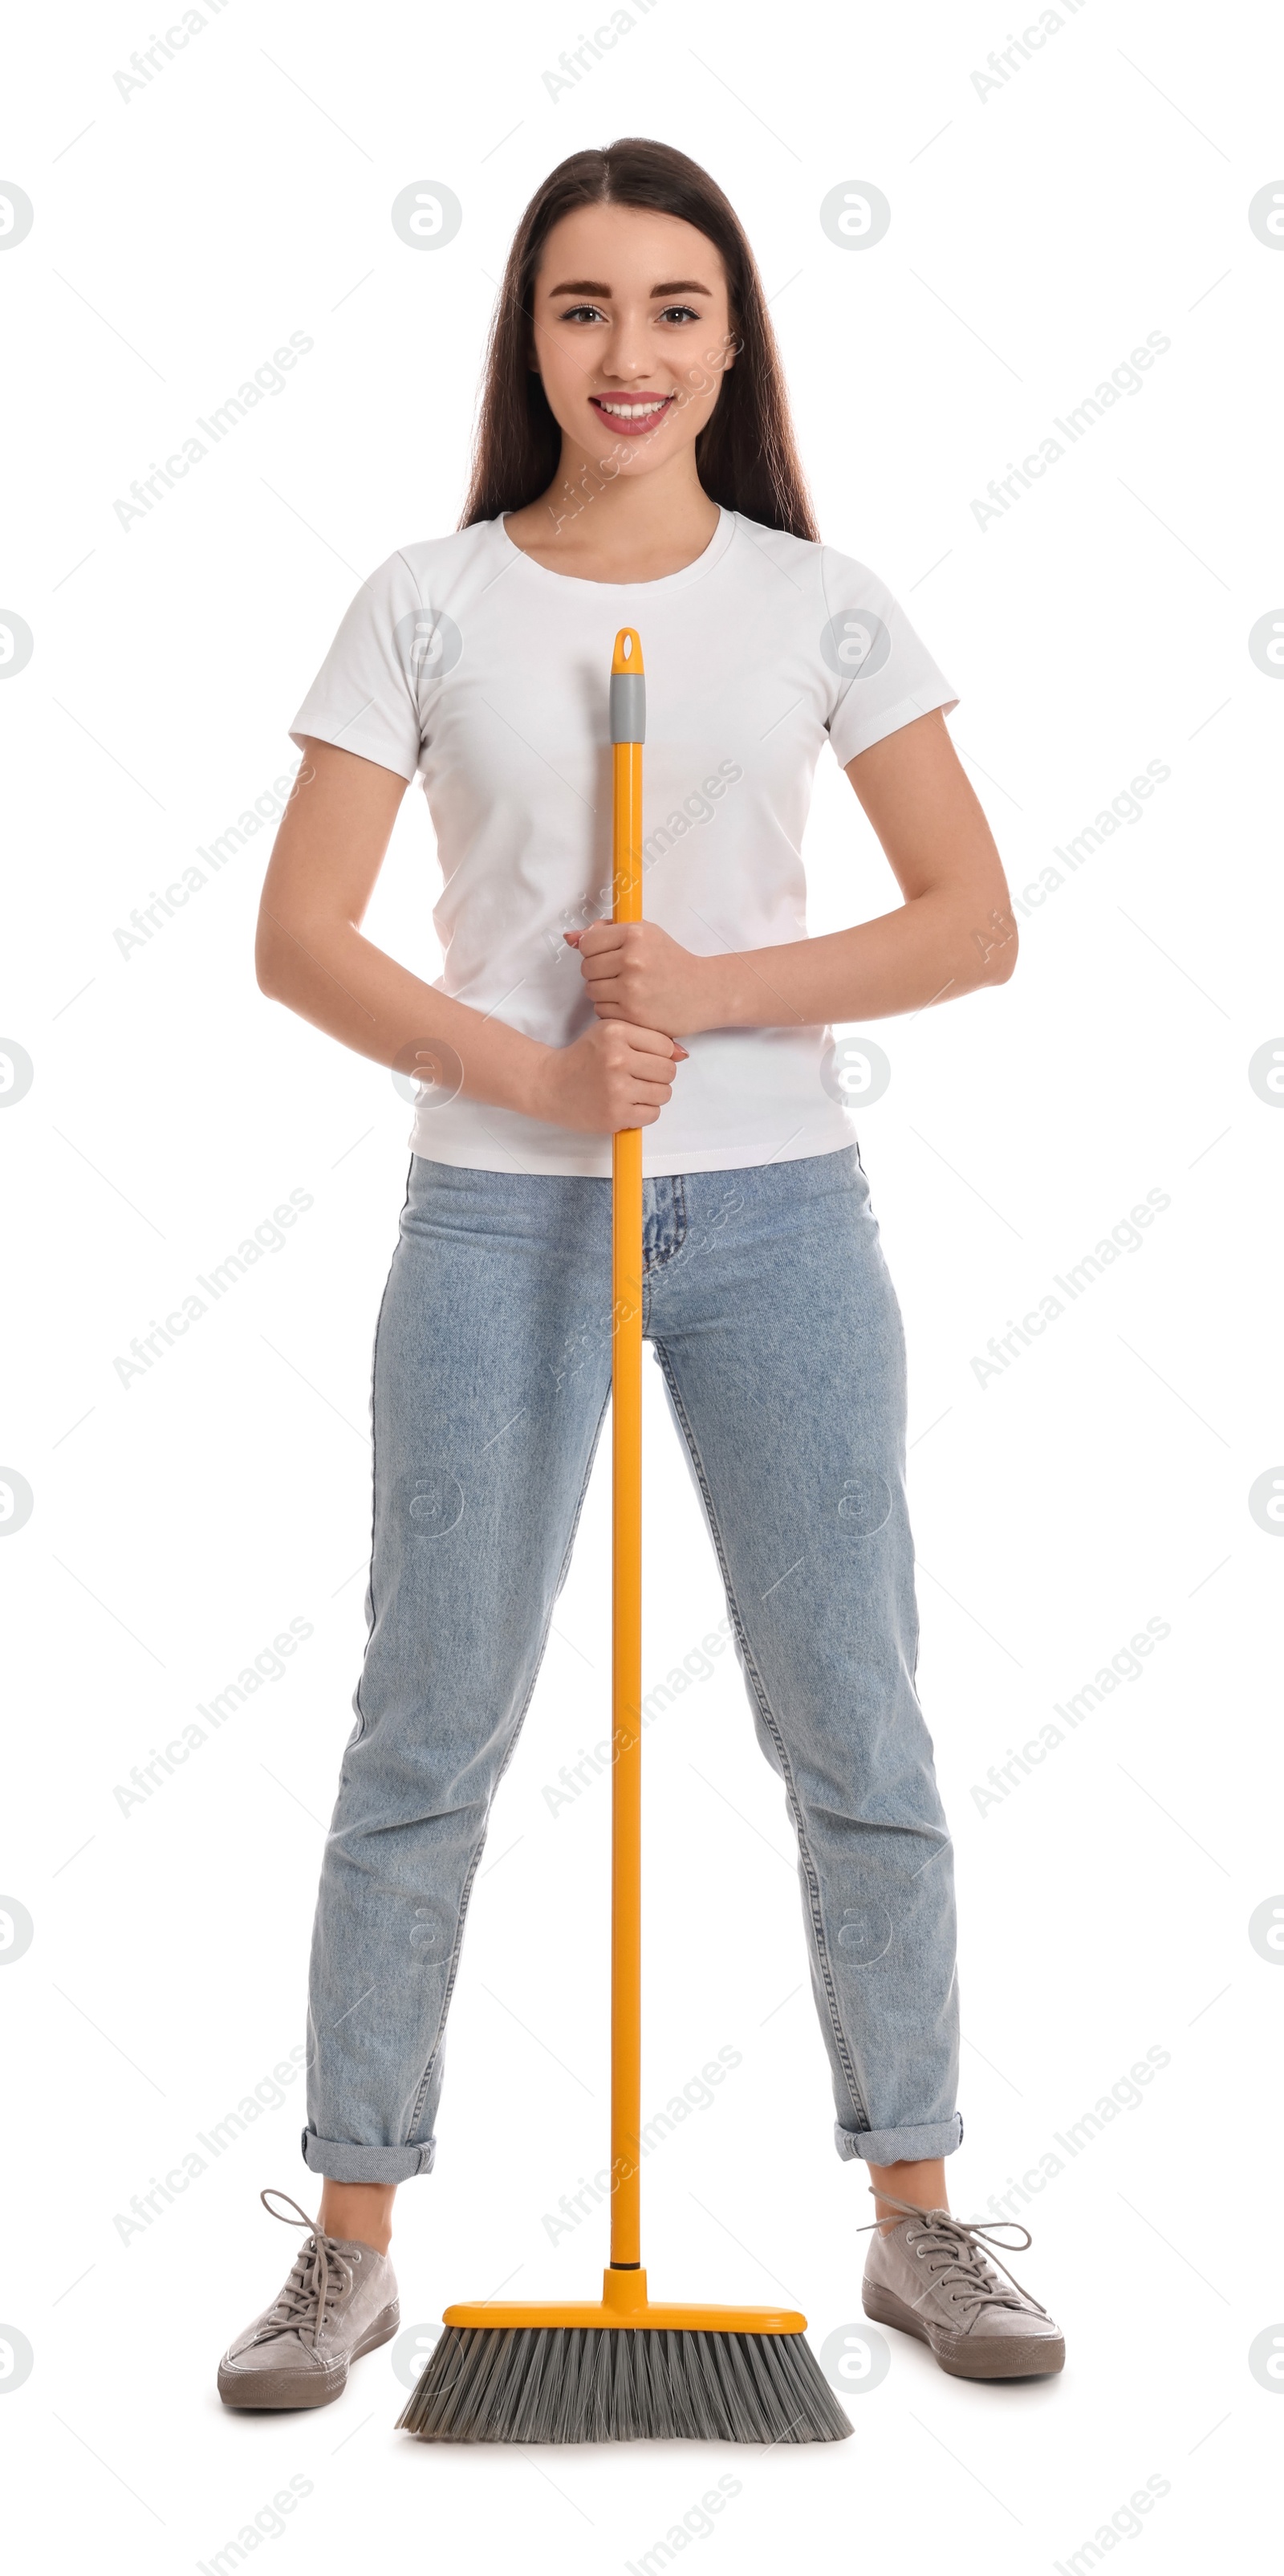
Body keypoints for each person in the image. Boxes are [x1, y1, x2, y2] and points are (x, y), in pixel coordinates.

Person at [217, 136, 1064, 2413]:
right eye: (585, 308)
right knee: (428, 1722)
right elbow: (298, 937)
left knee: (852, 1716)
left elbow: (972, 920)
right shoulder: (426, 598)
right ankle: (351, 2233)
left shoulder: (823, 601)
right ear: (530, 335)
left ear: (732, 339)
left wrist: (704, 987)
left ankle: (916, 2220)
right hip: (498, 1210)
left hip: (778, 1211)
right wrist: (530, 1061)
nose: (630, 353)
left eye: (676, 308)